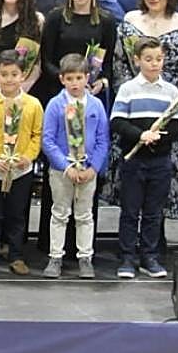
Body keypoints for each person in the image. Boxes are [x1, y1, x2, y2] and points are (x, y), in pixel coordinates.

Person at [36, 0, 117, 253]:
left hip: (90, 100)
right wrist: (68, 80)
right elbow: (45, 59)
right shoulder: (56, 18)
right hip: (61, 98)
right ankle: (53, 245)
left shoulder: (105, 21)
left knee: (85, 169)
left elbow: (109, 62)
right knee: (60, 173)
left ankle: (81, 247)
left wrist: (99, 82)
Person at [106, 0, 178, 222]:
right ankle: (128, 237)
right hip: (134, 110)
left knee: (162, 183)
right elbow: (119, 65)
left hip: (169, 109)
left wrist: (172, 103)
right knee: (132, 186)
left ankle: (157, 235)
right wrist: (134, 94)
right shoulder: (130, 20)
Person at [111, 37, 178, 279]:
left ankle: (149, 256)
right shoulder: (128, 89)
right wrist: (140, 135)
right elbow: (117, 121)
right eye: (149, 59)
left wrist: (158, 137)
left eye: (159, 59)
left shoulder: (171, 91)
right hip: (134, 161)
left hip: (160, 161)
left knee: (154, 212)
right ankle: (127, 257)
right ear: (137, 60)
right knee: (130, 211)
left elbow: (177, 127)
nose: (154, 64)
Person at [0, 50, 43, 276]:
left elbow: (37, 135)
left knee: (17, 214)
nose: (9, 79)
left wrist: (28, 156)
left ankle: (16, 255)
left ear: (23, 76)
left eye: (14, 74)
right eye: (4, 74)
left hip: (20, 170)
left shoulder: (33, 105)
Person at [41, 54, 109, 279]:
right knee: (60, 213)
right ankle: (55, 257)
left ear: (87, 78)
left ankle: (85, 257)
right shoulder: (55, 104)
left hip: (87, 171)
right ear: (62, 79)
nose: (75, 83)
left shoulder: (96, 105)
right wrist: (65, 166)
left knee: (84, 215)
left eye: (79, 78)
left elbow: (102, 140)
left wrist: (93, 168)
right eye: (69, 78)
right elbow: (48, 140)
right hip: (62, 171)